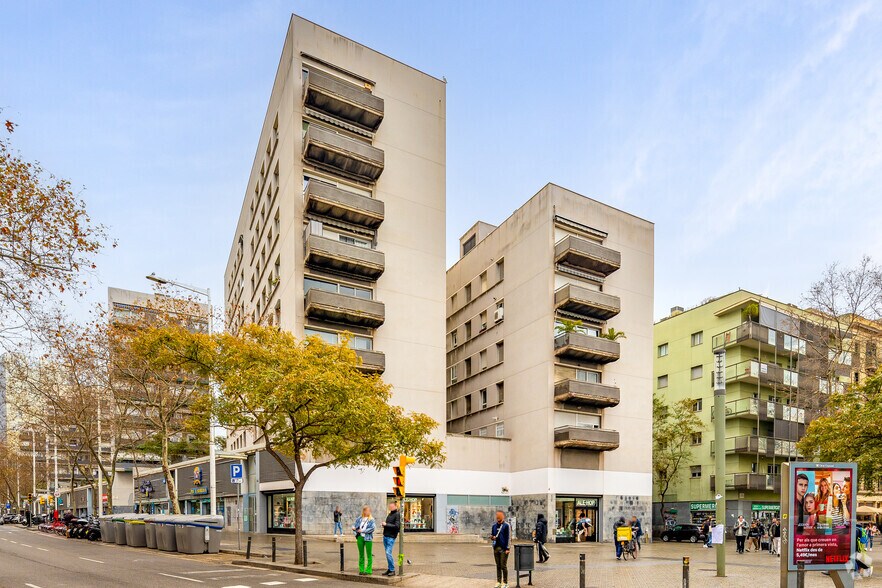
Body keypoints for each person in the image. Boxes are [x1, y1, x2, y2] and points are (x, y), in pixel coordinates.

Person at [352, 506, 376, 576]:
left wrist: (363, 530)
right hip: (360, 538)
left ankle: (369, 570)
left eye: (369, 511)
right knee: (361, 554)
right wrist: (354, 531)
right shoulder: (359, 518)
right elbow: (355, 526)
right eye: (367, 511)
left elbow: (372, 528)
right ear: (364, 511)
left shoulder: (371, 519)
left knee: (369, 554)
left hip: (368, 538)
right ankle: (361, 570)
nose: (368, 512)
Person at [490, 510, 511, 588]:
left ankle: (505, 582)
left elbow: (508, 537)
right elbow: (493, 534)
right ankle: (498, 581)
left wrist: (508, 548)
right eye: (497, 518)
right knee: (498, 565)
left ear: (502, 517)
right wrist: (492, 537)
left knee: (503, 565)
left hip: (504, 548)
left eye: (499, 518)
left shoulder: (506, 525)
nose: (498, 520)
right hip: (496, 548)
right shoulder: (494, 526)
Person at [381, 502, 400, 577]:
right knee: (387, 553)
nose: (390, 508)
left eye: (391, 506)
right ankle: (389, 569)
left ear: (395, 506)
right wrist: (384, 525)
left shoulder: (397, 514)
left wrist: (386, 524)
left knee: (388, 553)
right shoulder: (390, 514)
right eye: (389, 506)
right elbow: (389, 524)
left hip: (391, 537)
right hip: (385, 535)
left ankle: (392, 570)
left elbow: (397, 526)